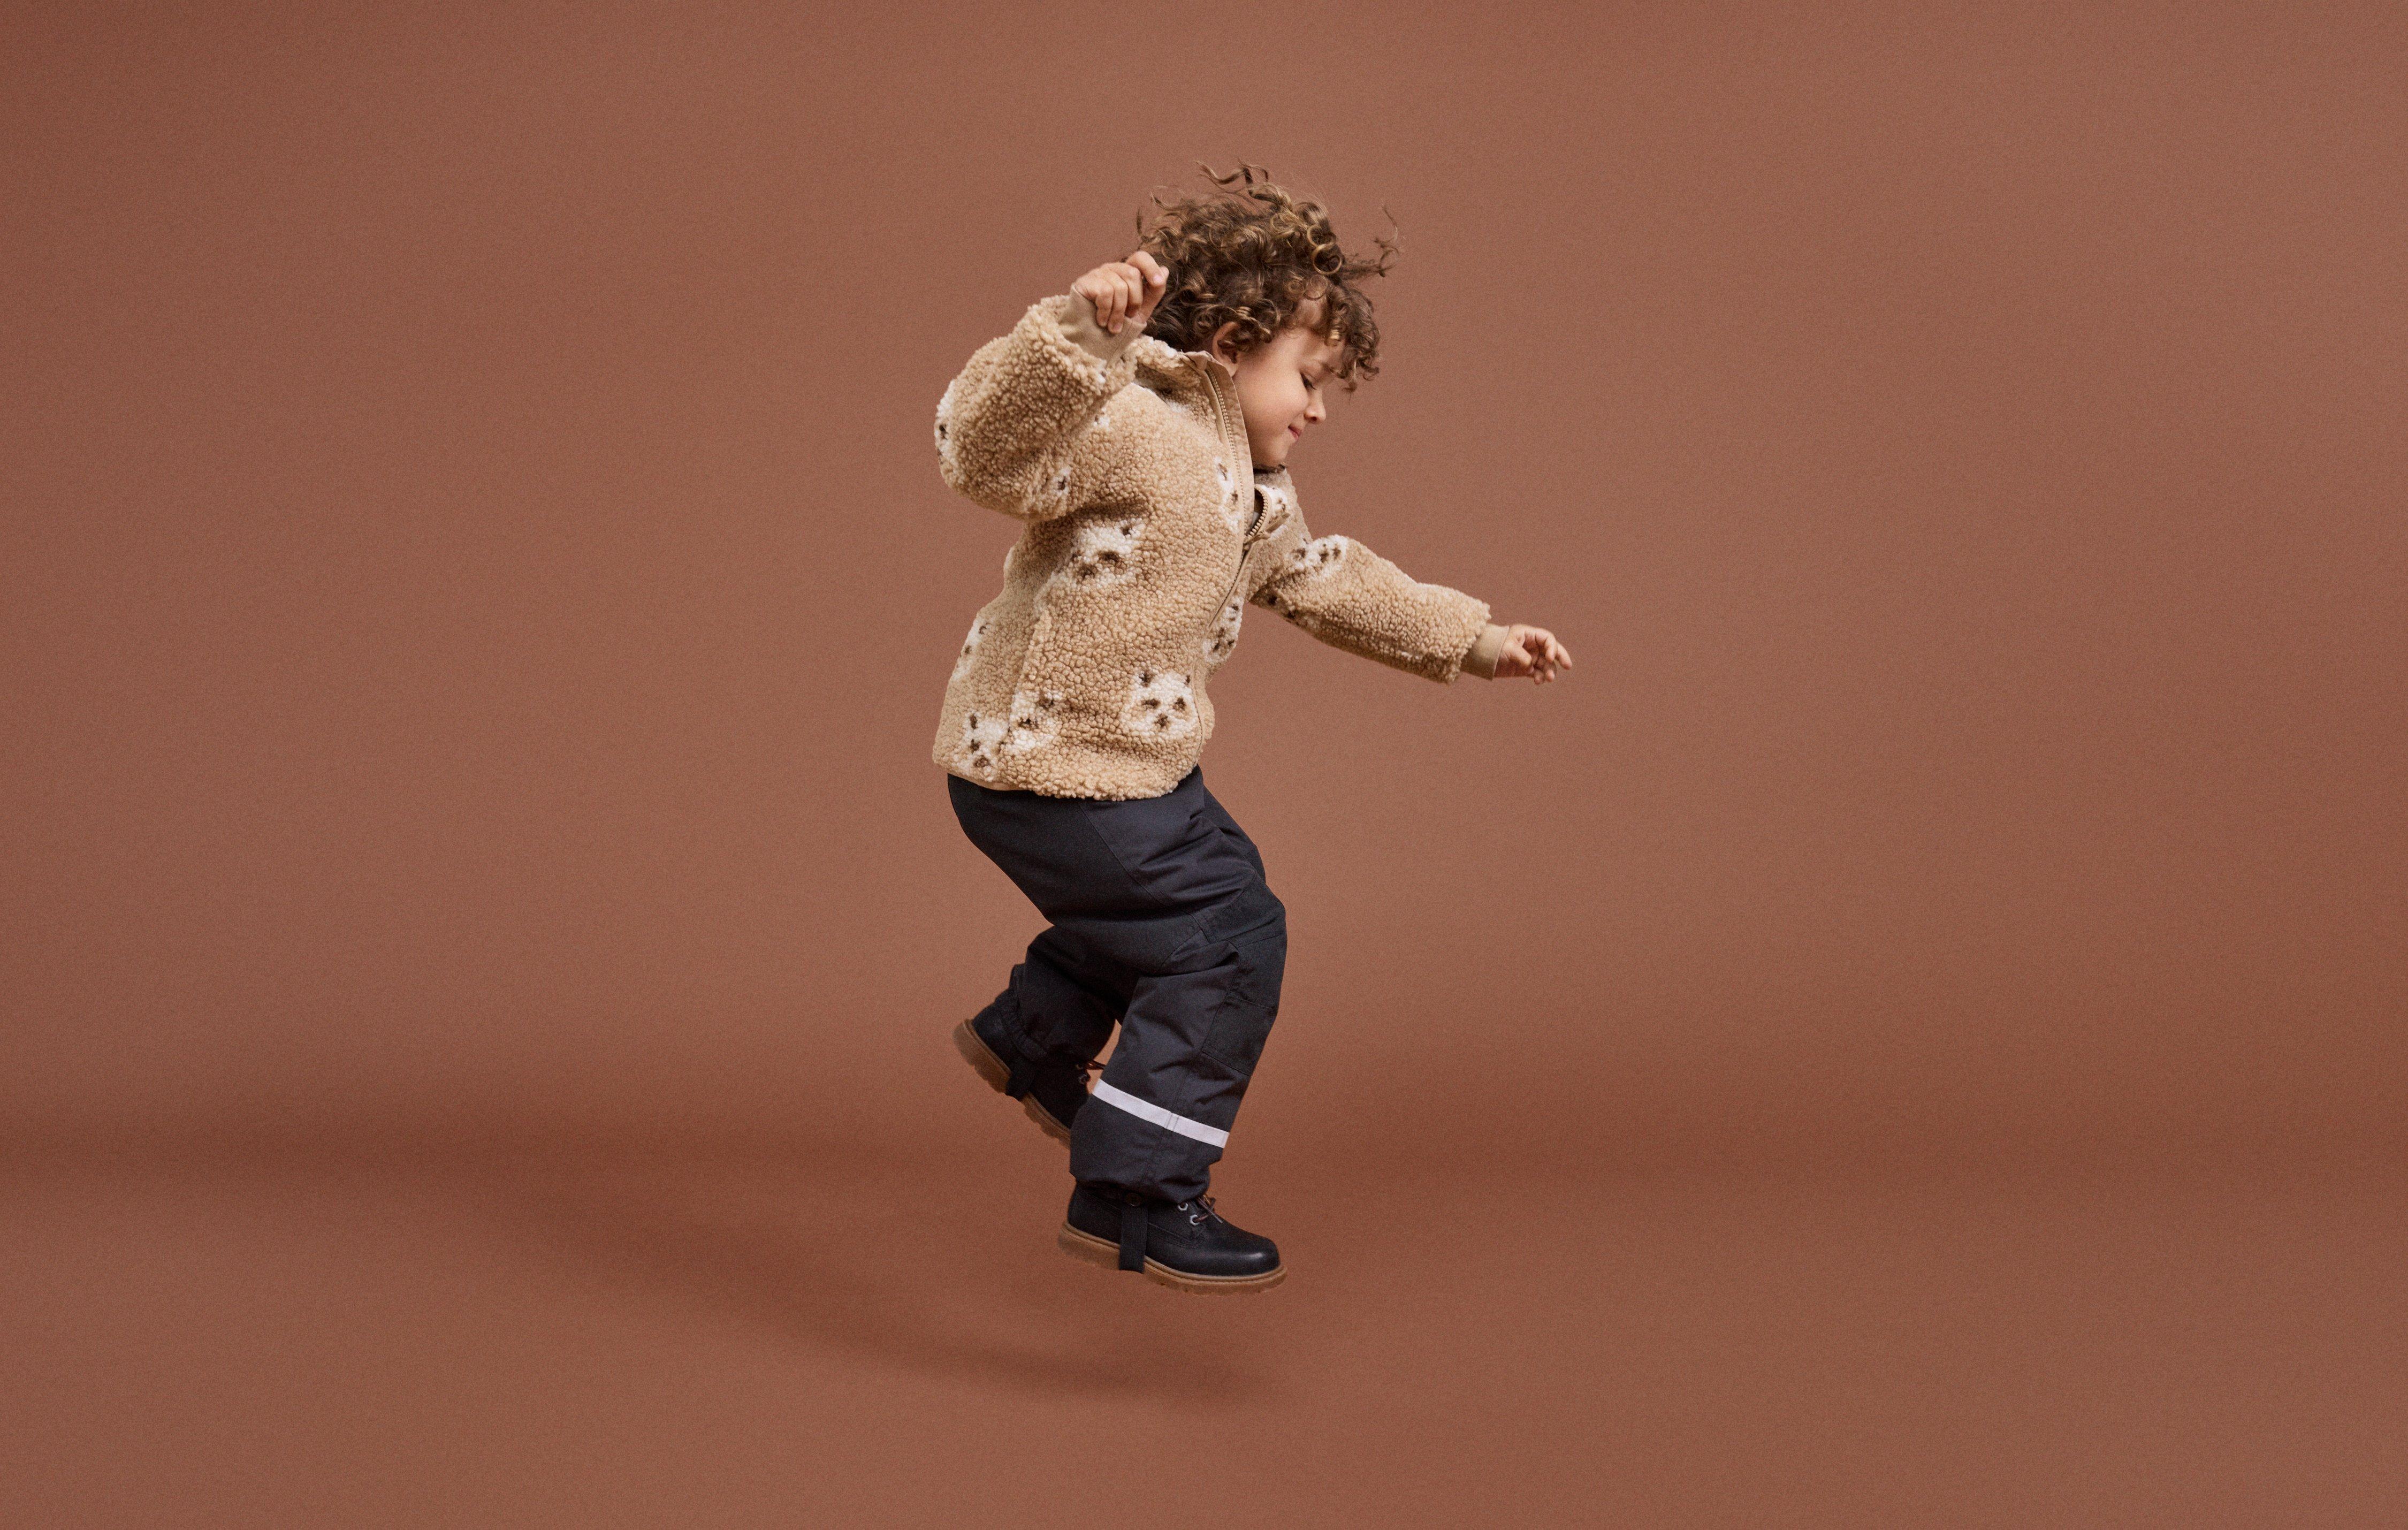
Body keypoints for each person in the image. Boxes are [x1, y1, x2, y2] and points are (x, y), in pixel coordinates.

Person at [931, 163, 1571, 1295]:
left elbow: (1326, 579)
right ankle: (1135, 1193)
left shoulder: (1253, 491)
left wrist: (1474, 637)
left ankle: (1036, 1036)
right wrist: (1074, 340)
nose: (1318, 409)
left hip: (1129, 770)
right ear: (1231, 345)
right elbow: (980, 453)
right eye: (1309, 377)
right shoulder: (1129, 420)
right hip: (1047, 764)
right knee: (1229, 936)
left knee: (1200, 899)